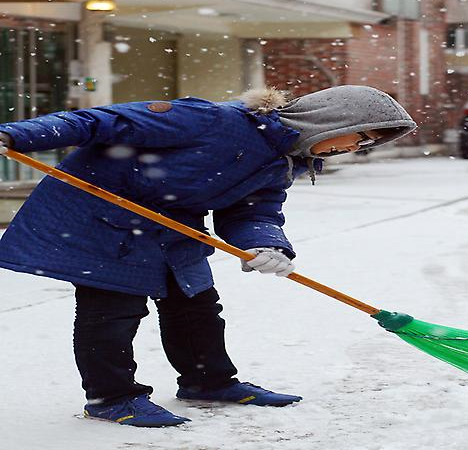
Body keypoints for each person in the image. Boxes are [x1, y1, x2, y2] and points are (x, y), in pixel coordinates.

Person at [0, 85, 416, 427]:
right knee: (111, 310)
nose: (356, 148)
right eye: (361, 137)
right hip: (102, 217)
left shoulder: (281, 162)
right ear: (334, 120)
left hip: (173, 225)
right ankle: (112, 398)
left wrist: (265, 245)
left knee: (196, 305)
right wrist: (15, 135)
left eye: (366, 145)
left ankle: (208, 381)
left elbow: (254, 211)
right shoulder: (211, 119)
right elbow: (101, 121)